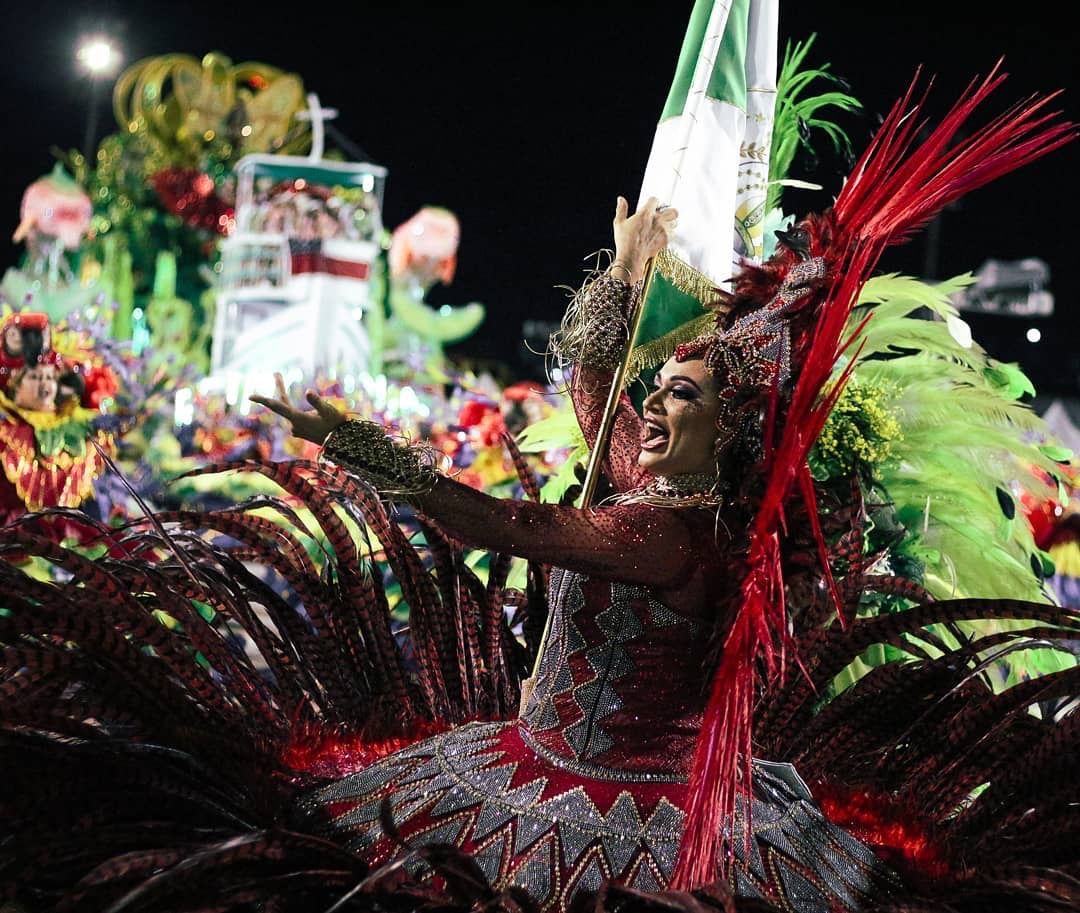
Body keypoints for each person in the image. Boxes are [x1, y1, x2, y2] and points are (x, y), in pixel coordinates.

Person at [1, 67, 1078, 913]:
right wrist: (625, 284)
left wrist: (354, 445)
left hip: (603, 819)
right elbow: (602, 393)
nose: (651, 410)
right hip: (549, 757)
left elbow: (488, 517)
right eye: (654, 391)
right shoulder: (665, 480)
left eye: (682, 396)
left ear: (729, 428)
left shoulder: (656, 536)